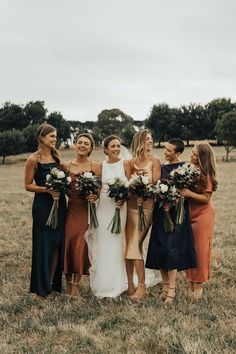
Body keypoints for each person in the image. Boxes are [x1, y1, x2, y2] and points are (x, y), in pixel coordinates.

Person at [146, 139, 197, 304]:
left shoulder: (186, 169)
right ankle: (165, 286)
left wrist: (177, 198)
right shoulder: (161, 168)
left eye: (169, 150)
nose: (165, 152)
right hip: (161, 212)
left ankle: (172, 290)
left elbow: (189, 191)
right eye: (165, 148)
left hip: (177, 214)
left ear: (178, 153)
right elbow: (155, 187)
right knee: (160, 247)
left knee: (172, 249)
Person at [25, 124, 66, 299]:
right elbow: (27, 185)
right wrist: (47, 189)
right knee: (44, 245)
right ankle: (40, 289)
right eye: (51, 136)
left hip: (60, 204)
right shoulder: (33, 159)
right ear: (42, 138)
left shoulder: (56, 155)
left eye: (55, 136)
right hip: (43, 205)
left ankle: (50, 284)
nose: (54, 139)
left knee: (57, 243)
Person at [87, 135, 131, 298]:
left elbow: (130, 185)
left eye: (118, 146)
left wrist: (124, 197)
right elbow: (98, 189)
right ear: (106, 149)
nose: (116, 149)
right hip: (104, 207)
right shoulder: (101, 166)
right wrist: (94, 198)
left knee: (117, 242)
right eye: (113, 146)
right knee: (103, 242)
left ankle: (118, 283)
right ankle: (103, 283)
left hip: (120, 207)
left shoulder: (125, 163)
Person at [63, 133, 101, 297]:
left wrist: (95, 196)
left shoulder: (96, 166)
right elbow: (62, 187)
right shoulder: (65, 166)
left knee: (80, 244)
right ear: (75, 144)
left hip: (86, 210)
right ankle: (67, 282)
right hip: (70, 209)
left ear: (91, 148)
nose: (83, 145)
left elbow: (99, 189)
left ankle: (75, 287)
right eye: (80, 142)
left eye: (86, 143)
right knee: (68, 243)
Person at [125, 129, 161, 301]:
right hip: (131, 207)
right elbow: (126, 186)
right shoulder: (130, 163)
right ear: (139, 141)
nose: (150, 141)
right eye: (147, 139)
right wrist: (131, 192)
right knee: (131, 245)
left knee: (135, 243)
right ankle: (131, 284)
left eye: (151, 139)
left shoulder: (155, 161)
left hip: (146, 207)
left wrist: (143, 193)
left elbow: (155, 186)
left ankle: (141, 286)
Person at [181, 143, 217, 299]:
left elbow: (206, 198)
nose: (192, 156)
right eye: (192, 153)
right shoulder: (187, 169)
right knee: (189, 247)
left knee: (200, 249)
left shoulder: (205, 174)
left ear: (202, 157)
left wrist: (188, 193)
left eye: (195, 155)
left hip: (203, 214)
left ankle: (199, 285)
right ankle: (190, 281)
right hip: (189, 212)